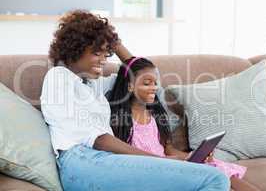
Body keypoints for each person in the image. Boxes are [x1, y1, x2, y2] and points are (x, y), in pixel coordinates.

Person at [40, 10, 230, 191]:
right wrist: (161, 160)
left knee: (205, 174)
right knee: (214, 178)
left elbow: (137, 70)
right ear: (75, 49)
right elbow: (98, 140)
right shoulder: (59, 77)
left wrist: (112, 42)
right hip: (81, 162)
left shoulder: (91, 85)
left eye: (105, 54)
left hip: (101, 161)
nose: (103, 60)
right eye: (96, 53)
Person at [108, 57, 263, 191]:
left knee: (214, 166)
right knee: (211, 174)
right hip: (150, 171)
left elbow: (168, 150)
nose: (154, 88)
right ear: (130, 85)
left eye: (156, 83)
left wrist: (194, 156)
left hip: (170, 165)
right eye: (147, 83)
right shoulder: (119, 119)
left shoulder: (155, 114)